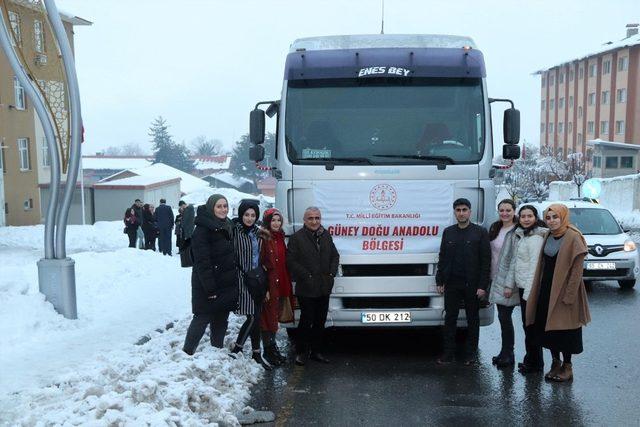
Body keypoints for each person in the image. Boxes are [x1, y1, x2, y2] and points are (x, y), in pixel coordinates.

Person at [526, 204, 591, 382]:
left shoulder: (573, 237)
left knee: (565, 330)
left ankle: (567, 367)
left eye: (555, 217)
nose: (552, 221)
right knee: (549, 329)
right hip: (547, 288)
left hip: (565, 291)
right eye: (548, 217)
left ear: (563, 217)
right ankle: (556, 363)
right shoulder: (548, 234)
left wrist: (569, 296)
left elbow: (577, 270)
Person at [436, 198, 490, 366]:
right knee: (450, 319)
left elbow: (485, 261)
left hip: (472, 285)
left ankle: (471, 354)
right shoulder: (448, 232)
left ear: (470, 212)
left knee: (472, 320)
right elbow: (443, 257)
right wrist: (440, 280)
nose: (461, 213)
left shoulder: (480, 232)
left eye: (464, 209)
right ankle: (448, 353)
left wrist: (482, 286)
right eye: (458, 210)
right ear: (454, 212)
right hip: (452, 283)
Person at [183, 194, 238, 355]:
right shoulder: (202, 230)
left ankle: (217, 351)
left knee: (221, 318)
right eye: (219, 206)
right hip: (207, 284)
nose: (223, 210)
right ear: (211, 207)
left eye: (225, 206)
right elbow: (202, 263)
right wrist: (210, 289)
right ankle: (187, 352)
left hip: (225, 283)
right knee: (202, 317)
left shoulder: (226, 225)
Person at [286, 206, 340, 366]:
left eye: (317, 218)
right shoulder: (297, 238)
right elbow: (291, 261)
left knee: (320, 320)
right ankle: (301, 352)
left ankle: (316, 351)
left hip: (324, 286)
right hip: (307, 288)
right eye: (311, 218)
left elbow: (335, 256)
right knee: (306, 320)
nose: (314, 221)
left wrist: (331, 274)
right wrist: (307, 276)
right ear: (305, 220)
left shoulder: (326, 235)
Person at [229, 201, 272, 370]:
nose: (249, 218)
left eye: (253, 215)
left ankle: (256, 353)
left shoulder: (259, 233)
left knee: (256, 315)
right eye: (246, 215)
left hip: (257, 279)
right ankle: (238, 348)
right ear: (241, 215)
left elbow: (263, 258)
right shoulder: (234, 231)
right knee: (252, 316)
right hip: (241, 278)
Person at [509, 205, 547, 374]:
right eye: (523, 216)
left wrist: (528, 293)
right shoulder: (524, 235)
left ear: (535, 217)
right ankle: (530, 359)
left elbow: (534, 268)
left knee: (531, 327)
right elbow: (517, 263)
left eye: (529, 216)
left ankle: (535, 363)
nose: (525, 219)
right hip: (523, 286)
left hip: (530, 290)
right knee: (527, 326)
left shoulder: (536, 238)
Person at [259, 208, 295, 366]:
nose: (276, 223)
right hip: (270, 283)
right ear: (267, 222)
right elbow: (259, 264)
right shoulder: (263, 238)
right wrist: (265, 287)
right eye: (273, 220)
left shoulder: (280, 237)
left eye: (278, 220)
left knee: (275, 316)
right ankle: (268, 349)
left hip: (281, 281)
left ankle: (273, 348)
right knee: (267, 318)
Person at [488, 199, 519, 368]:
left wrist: (509, 284)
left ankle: (509, 353)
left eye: (508, 210)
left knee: (505, 317)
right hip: (495, 278)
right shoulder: (495, 227)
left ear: (514, 211)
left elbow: (515, 259)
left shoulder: (517, 230)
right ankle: (504, 352)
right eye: (502, 210)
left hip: (508, 280)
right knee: (503, 318)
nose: (505, 213)